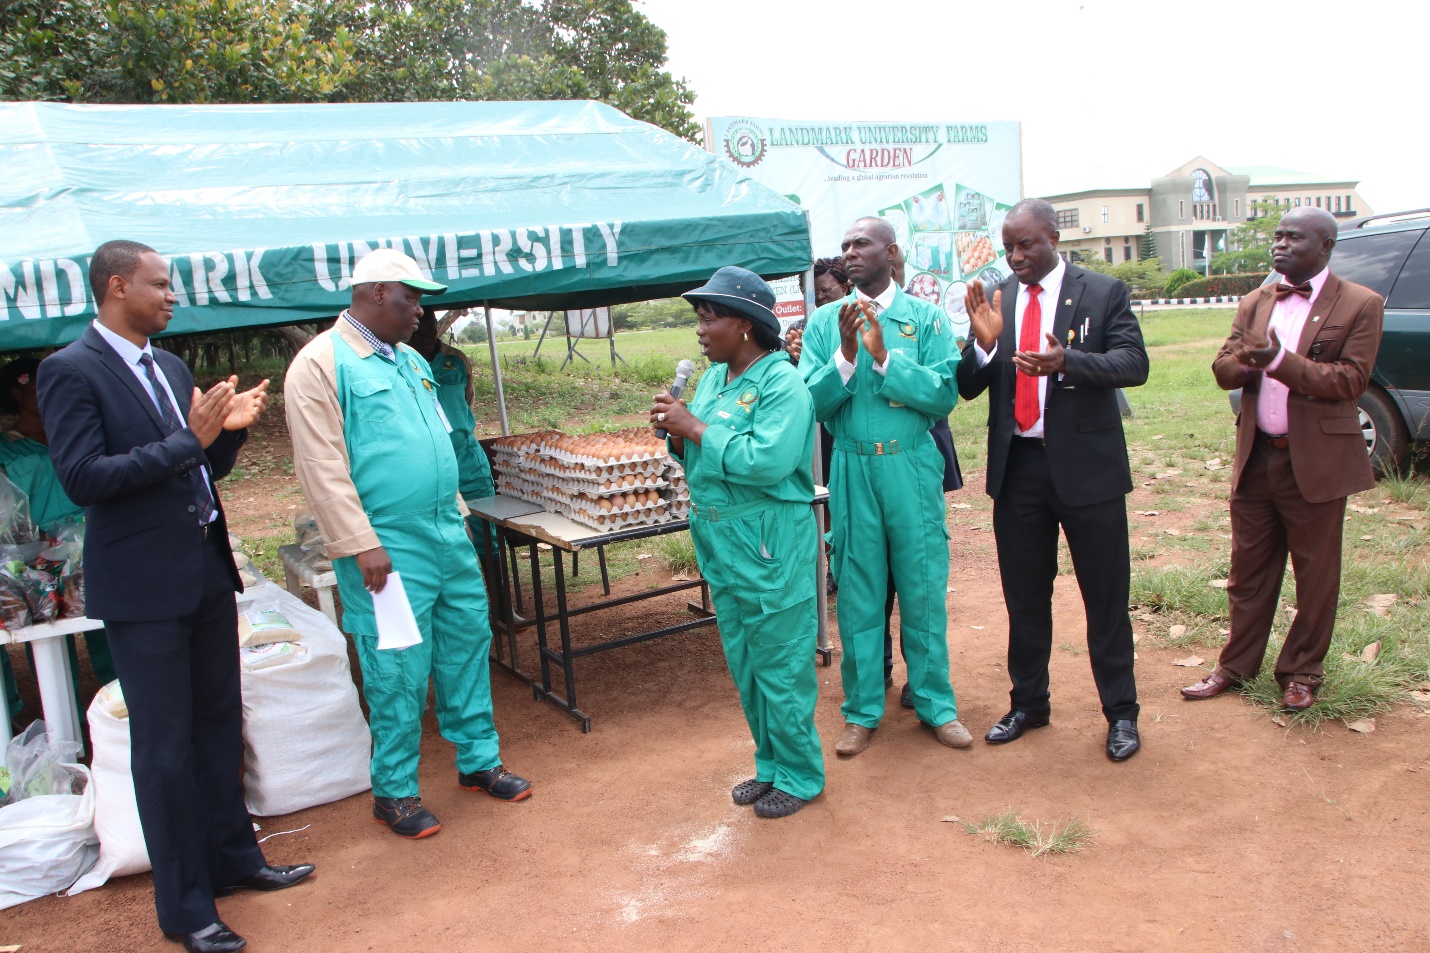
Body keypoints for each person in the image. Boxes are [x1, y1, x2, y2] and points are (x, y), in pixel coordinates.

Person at [38, 239, 310, 953]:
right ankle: (186, 908)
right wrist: (192, 439)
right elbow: (84, 478)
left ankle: (234, 859)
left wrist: (228, 436)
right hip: (143, 587)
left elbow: (198, 463)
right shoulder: (70, 371)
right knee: (165, 747)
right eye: (159, 285)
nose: (171, 296)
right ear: (116, 285)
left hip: (203, 574)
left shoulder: (169, 364)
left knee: (220, 725)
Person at [285, 248, 530, 841]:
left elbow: (439, 443)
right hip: (384, 544)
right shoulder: (321, 365)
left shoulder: (409, 363)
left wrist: (458, 515)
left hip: (446, 531)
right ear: (373, 293)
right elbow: (321, 465)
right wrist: (359, 542)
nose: (419, 311)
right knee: (396, 664)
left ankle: (477, 759)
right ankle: (393, 790)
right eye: (409, 297)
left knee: (466, 642)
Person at [957, 198, 1148, 762]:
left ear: (1053, 238)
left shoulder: (1102, 292)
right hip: (1020, 471)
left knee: (1106, 599)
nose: (1015, 256)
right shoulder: (1001, 299)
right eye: (1008, 246)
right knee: (1024, 597)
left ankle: (1121, 714)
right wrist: (985, 344)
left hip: (1088, 472)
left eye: (1026, 245)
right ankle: (1028, 703)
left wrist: (1070, 363)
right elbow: (968, 387)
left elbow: (1134, 365)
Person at [1183, 207, 1383, 711]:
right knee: (1247, 572)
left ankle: (1300, 672)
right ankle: (1235, 665)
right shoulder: (1255, 301)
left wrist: (1277, 359)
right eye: (1277, 236)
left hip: (1316, 462)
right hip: (1257, 458)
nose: (1281, 244)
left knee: (1315, 575)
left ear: (1325, 246)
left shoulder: (1361, 303)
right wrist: (1246, 364)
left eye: (1295, 237)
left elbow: (1349, 380)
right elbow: (1223, 367)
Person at [651, 265, 823, 818]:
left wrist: (696, 429)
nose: (700, 329)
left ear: (746, 324)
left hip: (769, 537)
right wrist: (678, 435)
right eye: (698, 318)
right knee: (747, 661)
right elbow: (699, 456)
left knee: (782, 660)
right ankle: (771, 764)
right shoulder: (713, 379)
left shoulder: (781, 382)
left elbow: (769, 460)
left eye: (710, 318)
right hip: (722, 538)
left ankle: (800, 774)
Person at [799, 217, 972, 756]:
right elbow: (813, 403)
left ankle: (934, 703)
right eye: (844, 244)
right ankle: (862, 710)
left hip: (911, 466)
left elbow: (945, 393)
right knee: (858, 589)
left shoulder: (923, 318)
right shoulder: (827, 322)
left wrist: (882, 356)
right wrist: (847, 356)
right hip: (852, 468)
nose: (849, 252)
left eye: (861, 244)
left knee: (922, 585)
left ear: (890, 252)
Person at [0, 357, 116, 724]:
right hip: (37, 561)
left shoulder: (76, 432)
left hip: (94, 544)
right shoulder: (5, 451)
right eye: (38, 382)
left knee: (106, 623)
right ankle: (64, 721)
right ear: (17, 392)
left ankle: (120, 705)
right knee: (49, 637)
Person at [406, 307, 497, 554]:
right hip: (428, 461)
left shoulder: (455, 360)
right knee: (444, 535)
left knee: (485, 532)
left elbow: (468, 400)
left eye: (431, 330)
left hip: (466, 457)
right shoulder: (403, 363)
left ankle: (496, 591)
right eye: (419, 332)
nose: (426, 336)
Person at [786, 257, 849, 596]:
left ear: (846, 287)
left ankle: (848, 563)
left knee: (843, 498)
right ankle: (830, 567)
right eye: (812, 294)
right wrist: (794, 355)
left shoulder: (854, 319)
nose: (820, 300)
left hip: (841, 422)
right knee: (822, 496)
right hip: (815, 429)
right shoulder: (800, 326)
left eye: (826, 292)